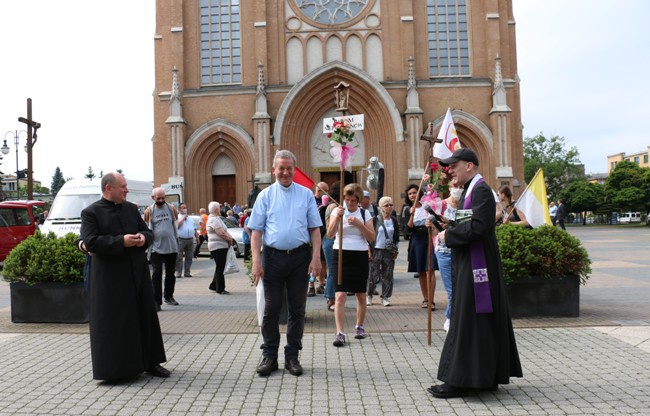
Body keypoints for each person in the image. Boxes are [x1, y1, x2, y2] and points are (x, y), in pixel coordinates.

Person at [428, 148, 522, 399]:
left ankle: (460, 381)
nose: (450, 169)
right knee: (475, 321)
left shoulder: (479, 189)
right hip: (472, 262)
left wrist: (450, 235)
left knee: (468, 320)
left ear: (469, 165)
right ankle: (483, 377)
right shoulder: (472, 189)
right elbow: (471, 220)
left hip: (477, 266)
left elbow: (481, 225)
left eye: (454, 165)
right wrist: (450, 225)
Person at [80, 172, 169, 381]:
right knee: (118, 323)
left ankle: (151, 362)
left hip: (137, 274)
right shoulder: (91, 213)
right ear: (109, 188)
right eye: (123, 186)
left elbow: (147, 232)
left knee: (144, 317)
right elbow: (91, 242)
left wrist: (141, 238)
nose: (126, 190)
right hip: (111, 280)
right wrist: (121, 241)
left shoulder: (130, 209)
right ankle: (118, 370)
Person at [248, 150, 322, 377]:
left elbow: (315, 230)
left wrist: (316, 258)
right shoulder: (266, 196)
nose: (285, 172)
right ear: (274, 170)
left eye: (289, 168)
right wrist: (256, 262)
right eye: (281, 168)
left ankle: (292, 357)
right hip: (273, 258)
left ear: (294, 169)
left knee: (297, 310)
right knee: (270, 309)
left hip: (300, 258)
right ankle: (269, 356)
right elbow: (256, 232)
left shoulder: (306, 195)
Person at [327, 183, 376, 347]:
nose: (350, 203)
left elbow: (372, 237)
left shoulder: (364, 213)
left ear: (359, 200)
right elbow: (329, 233)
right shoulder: (337, 210)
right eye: (347, 200)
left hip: (359, 254)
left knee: (361, 294)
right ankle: (340, 332)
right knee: (340, 295)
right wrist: (337, 218)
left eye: (353, 201)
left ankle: (360, 326)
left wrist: (360, 225)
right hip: (340, 254)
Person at [144, 187, 179, 309]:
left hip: (171, 247)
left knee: (170, 273)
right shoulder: (149, 211)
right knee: (157, 274)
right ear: (153, 198)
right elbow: (147, 228)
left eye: (163, 198)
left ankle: (169, 296)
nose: (161, 200)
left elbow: (175, 224)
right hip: (156, 248)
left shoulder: (171, 208)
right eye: (158, 198)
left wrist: (176, 241)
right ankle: (156, 301)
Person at [435, 178, 462, 332]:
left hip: (461, 251)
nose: (457, 189)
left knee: (461, 287)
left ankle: (455, 317)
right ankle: (450, 319)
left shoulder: (465, 205)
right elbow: (434, 230)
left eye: (460, 186)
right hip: (444, 252)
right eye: (454, 186)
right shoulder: (442, 205)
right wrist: (430, 225)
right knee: (453, 290)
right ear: (450, 187)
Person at [406, 184, 438, 309]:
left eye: (414, 192)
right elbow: (408, 229)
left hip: (429, 239)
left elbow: (435, 221)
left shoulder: (427, 206)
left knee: (430, 269)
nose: (412, 195)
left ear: (419, 194)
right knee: (421, 271)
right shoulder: (408, 209)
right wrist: (412, 215)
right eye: (410, 194)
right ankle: (425, 298)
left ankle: (432, 299)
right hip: (417, 242)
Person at [367, 196, 399, 307]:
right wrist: (369, 251)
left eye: (391, 205)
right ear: (381, 207)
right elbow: (369, 237)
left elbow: (396, 237)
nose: (389, 207)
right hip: (376, 249)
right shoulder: (375, 219)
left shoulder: (394, 220)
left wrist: (395, 250)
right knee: (372, 274)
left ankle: (385, 297)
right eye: (386, 205)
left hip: (388, 251)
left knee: (388, 275)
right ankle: (369, 295)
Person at [206, 201, 233, 294]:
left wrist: (229, 238)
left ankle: (214, 285)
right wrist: (229, 239)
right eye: (219, 207)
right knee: (220, 267)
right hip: (218, 246)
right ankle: (220, 289)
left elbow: (224, 230)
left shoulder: (217, 218)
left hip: (221, 246)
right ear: (216, 209)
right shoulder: (213, 219)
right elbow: (221, 232)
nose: (220, 209)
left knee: (220, 266)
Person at [322, 182, 340, 312]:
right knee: (333, 270)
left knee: (334, 270)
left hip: (333, 241)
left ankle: (333, 296)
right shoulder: (333, 206)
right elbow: (329, 226)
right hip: (330, 241)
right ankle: (330, 298)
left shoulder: (336, 205)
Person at [175, 203, 198, 278]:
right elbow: (177, 226)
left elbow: (194, 228)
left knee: (189, 257)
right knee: (179, 257)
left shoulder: (190, 218)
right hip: (181, 239)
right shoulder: (177, 217)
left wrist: (197, 237)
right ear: (179, 209)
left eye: (186, 207)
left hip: (190, 240)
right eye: (183, 208)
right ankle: (178, 273)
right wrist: (183, 217)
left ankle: (187, 272)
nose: (185, 209)